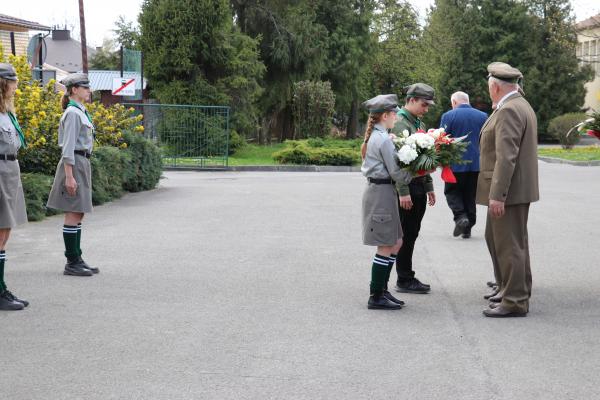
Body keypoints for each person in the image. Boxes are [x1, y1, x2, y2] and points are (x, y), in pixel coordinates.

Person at [477, 62, 539, 318]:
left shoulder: (509, 109)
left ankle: (515, 300)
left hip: (509, 191)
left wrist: (498, 195)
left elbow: (506, 157)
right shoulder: (518, 104)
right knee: (506, 241)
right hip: (514, 189)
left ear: (495, 87)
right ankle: (510, 289)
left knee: (509, 245)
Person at [361, 94, 415, 310]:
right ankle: (376, 295)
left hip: (384, 191)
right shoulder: (382, 139)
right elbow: (397, 173)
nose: (396, 116)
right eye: (394, 113)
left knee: (396, 241)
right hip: (381, 192)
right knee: (386, 244)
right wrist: (419, 171)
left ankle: (382, 290)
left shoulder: (381, 136)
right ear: (385, 115)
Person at [47, 73, 98, 277]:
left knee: (79, 211)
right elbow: (67, 148)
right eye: (85, 87)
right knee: (73, 211)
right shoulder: (73, 113)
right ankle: (72, 261)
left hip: (82, 163)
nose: (89, 91)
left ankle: (77, 257)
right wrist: (69, 176)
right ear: (74, 90)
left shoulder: (81, 111)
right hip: (74, 164)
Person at [390, 83, 436, 294]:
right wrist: (403, 191)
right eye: (423, 104)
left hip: (417, 186)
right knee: (406, 234)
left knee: (412, 232)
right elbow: (398, 161)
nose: (426, 109)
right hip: (407, 187)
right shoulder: (400, 123)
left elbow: (424, 158)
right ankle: (404, 278)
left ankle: (406, 276)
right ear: (411, 100)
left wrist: (429, 186)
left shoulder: (417, 122)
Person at [0, 63, 29, 310]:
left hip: (10, 169)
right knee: (0, 232)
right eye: (13, 82)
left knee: (5, 230)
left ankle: (1, 288)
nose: (16, 87)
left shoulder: (8, 113)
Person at [440, 91, 488, 238]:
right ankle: (468, 226)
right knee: (470, 195)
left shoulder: (448, 116)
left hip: (455, 163)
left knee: (452, 192)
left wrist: (441, 160)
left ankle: (461, 217)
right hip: (477, 164)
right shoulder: (483, 116)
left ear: (454, 102)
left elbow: (442, 139)